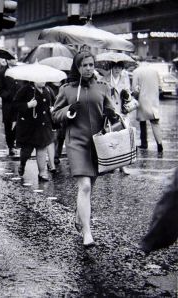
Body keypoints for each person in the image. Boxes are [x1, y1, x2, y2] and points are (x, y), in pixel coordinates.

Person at [52, 51, 117, 247]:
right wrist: (68, 111)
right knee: (85, 186)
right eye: (84, 65)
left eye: (91, 65)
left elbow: (112, 112)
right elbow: (55, 115)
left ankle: (79, 214)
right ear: (77, 67)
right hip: (76, 143)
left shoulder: (103, 87)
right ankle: (87, 233)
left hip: (97, 144)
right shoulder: (67, 90)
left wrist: (111, 113)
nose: (88, 68)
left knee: (90, 187)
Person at [13, 81, 56, 181]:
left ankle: (42, 173)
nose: (43, 81)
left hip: (44, 125)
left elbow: (54, 102)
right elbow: (15, 104)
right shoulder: (25, 89)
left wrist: (53, 108)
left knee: (42, 148)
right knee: (26, 151)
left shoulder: (48, 90)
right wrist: (28, 105)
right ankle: (22, 163)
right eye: (40, 79)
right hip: (29, 127)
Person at [100, 61, 132, 174]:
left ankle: (122, 166)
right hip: (109, 113)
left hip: (121, 114)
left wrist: (126, 96)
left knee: (122, 138)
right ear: (111, 68)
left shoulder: (125, 79)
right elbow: (100, 95)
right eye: (115, 67)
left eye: (120, 68)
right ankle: (110, 164)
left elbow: (129, 97)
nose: (117, 70)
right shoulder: (104, 79)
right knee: (109, 138)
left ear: (122, 69)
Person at [132, 64, 163, 153]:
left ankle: (144, 143)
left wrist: (135, 96)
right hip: (153, 101)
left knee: (142, 122)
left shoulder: (136, 72)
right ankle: (159, 144)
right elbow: (160, 87)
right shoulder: (155, 71)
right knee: (155, 122)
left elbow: (135, 89)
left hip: (142, 100)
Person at [0, 60, 18, 156]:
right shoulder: (2, 72)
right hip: (8, 104)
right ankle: (10, 146)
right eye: (13, 58)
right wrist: (8, 96)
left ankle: (17, 143)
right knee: (8, 125)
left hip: (19, 103)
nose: (15, 60)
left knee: (18, 123)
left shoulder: (20, 70)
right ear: (8, 60)